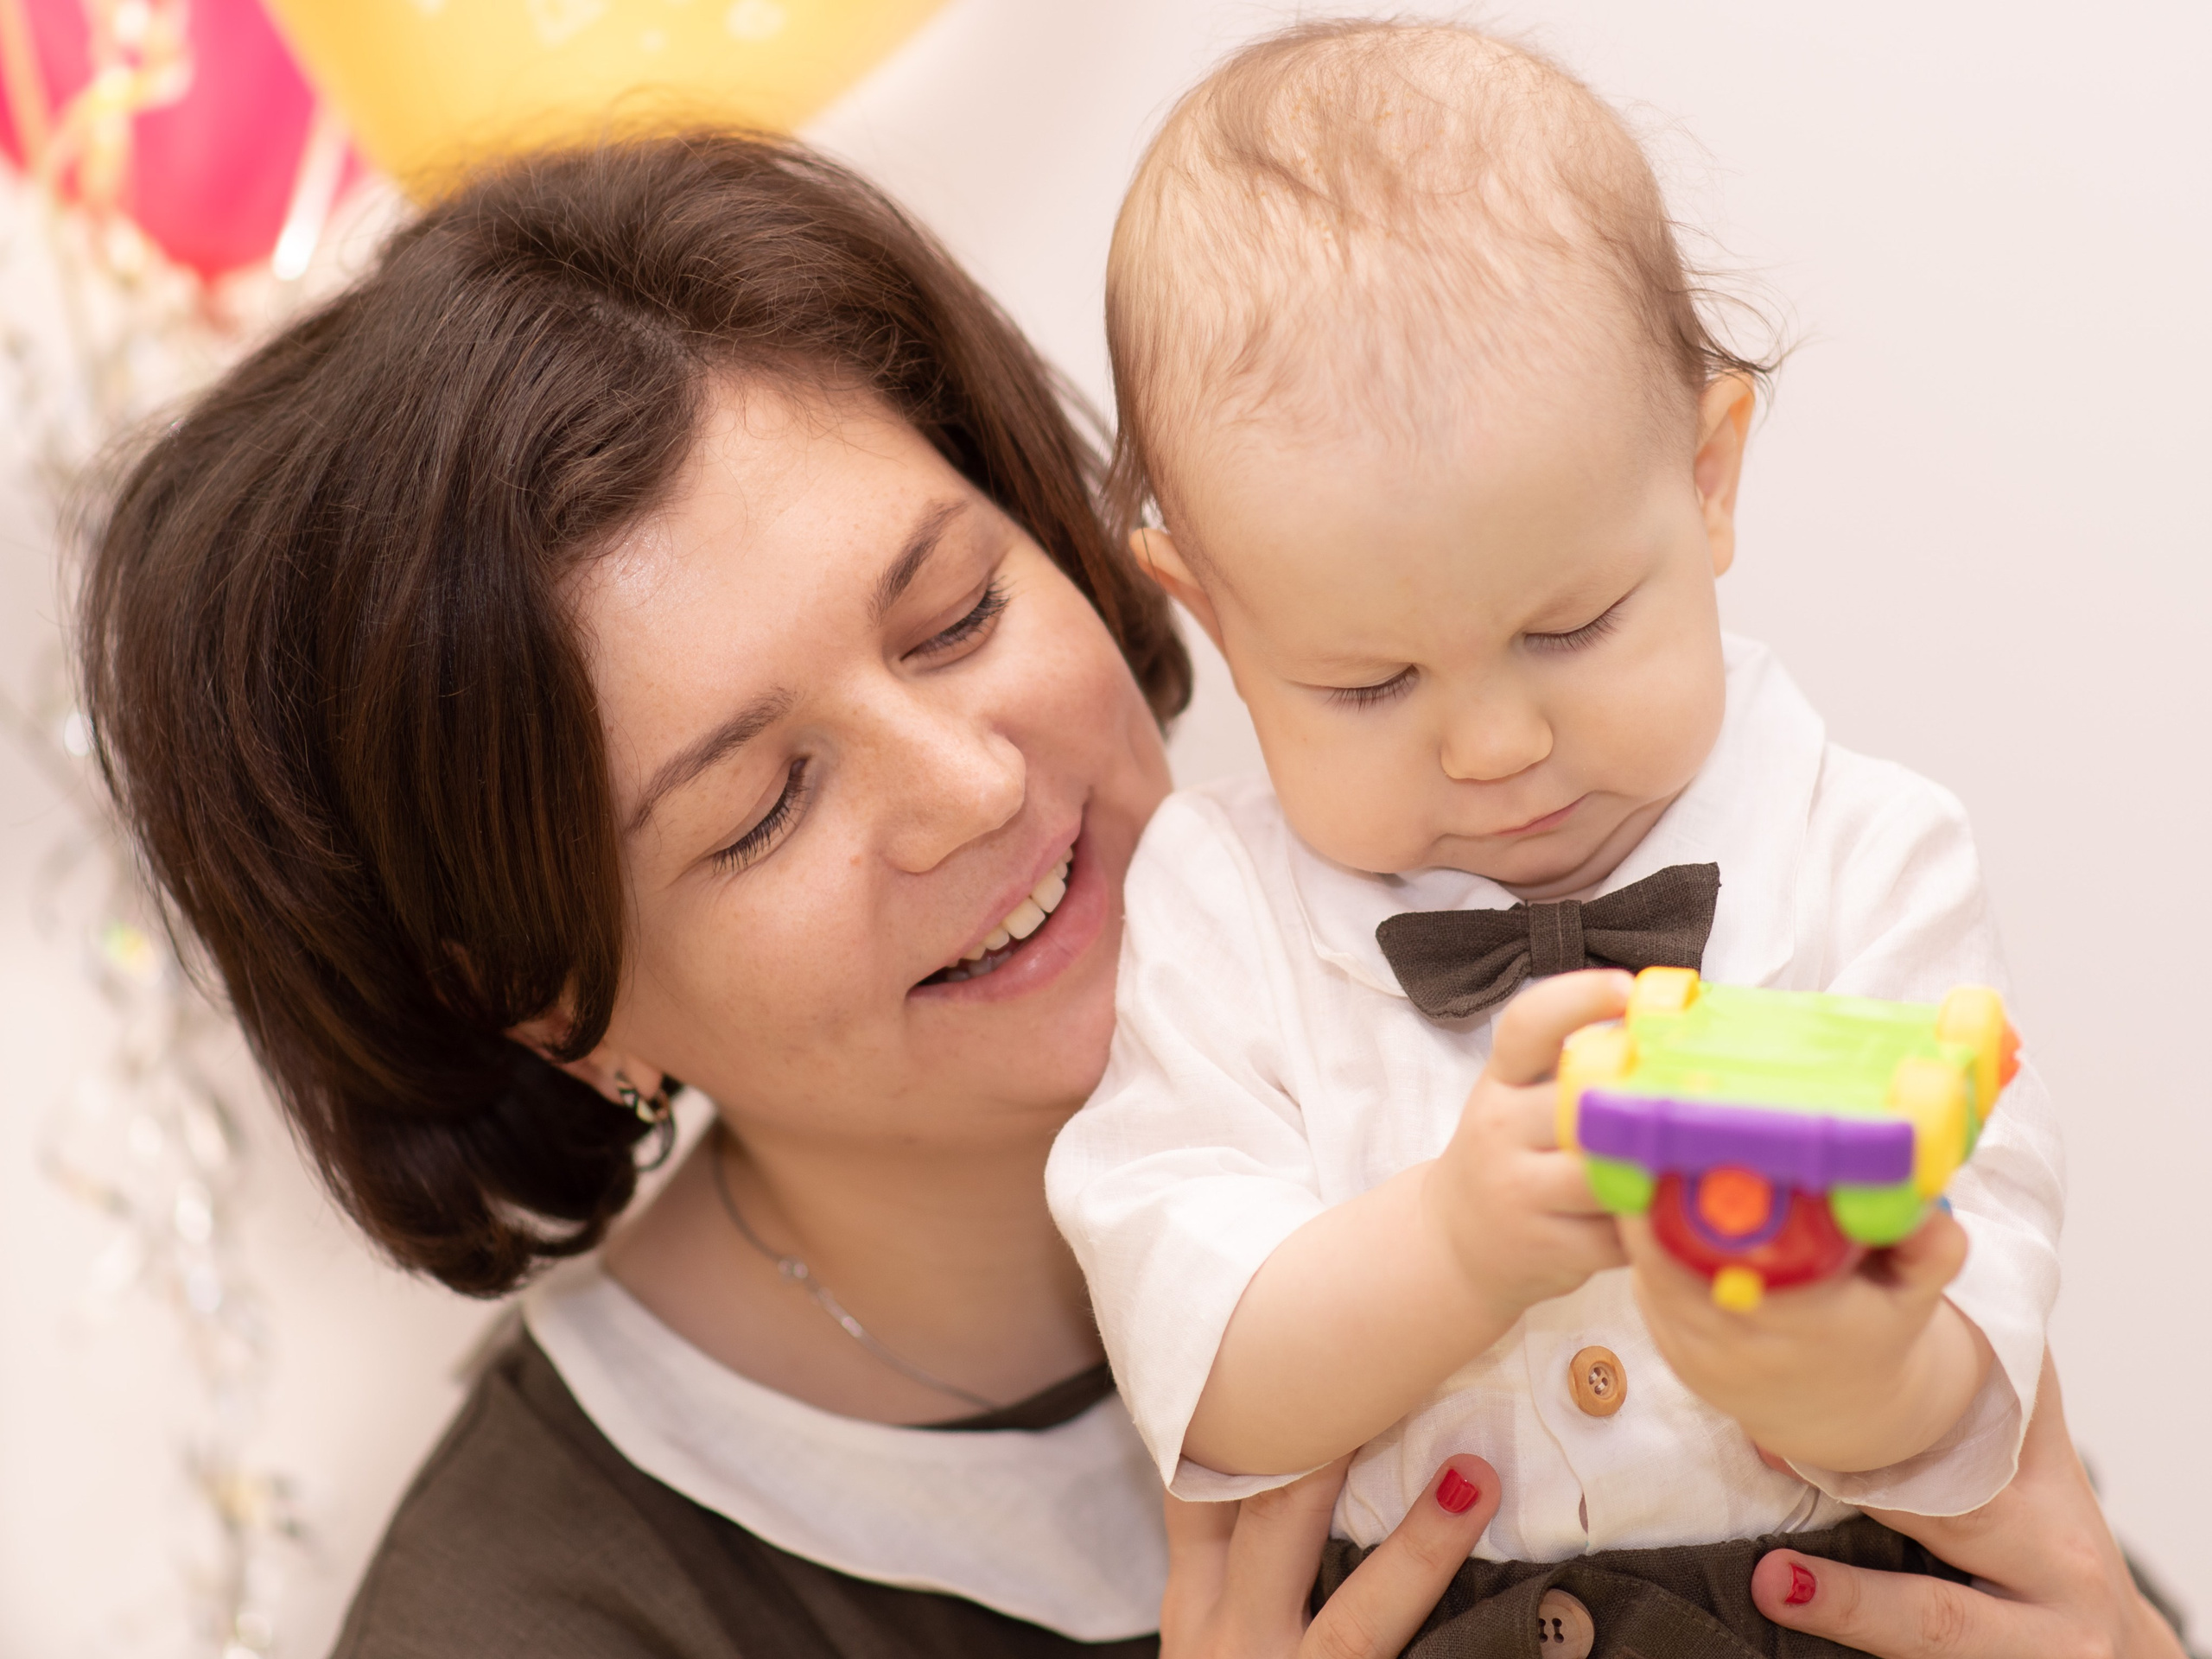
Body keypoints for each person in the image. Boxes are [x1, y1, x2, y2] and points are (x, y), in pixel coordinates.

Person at [73, 124, 2176, 1659]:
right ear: (550, 997)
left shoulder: (1602, 987)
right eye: (757, 807)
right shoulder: (546, 1615)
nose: (970, 783)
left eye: (954, 611)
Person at [1046, 19, 2064, 1648]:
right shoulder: (1218, 910)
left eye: (1575, 626)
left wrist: (1850, 1364)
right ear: (1217, 620)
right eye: (1368, 683)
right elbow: (1206, 1373)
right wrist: (1452, 1246)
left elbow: (1993, 1342)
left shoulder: (1869, 848)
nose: (1501, 745)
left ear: (1711, 477)